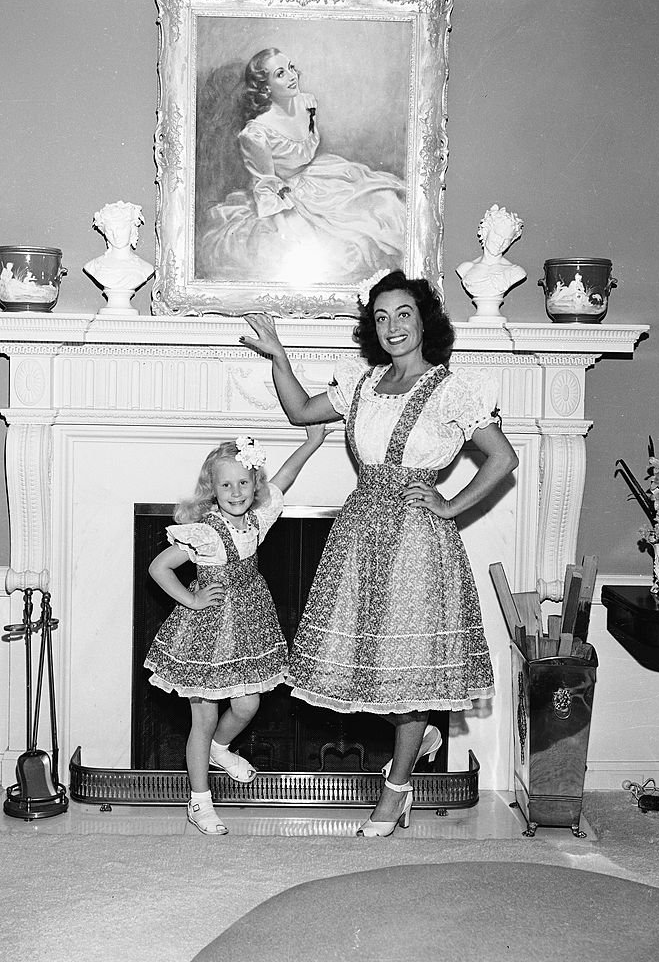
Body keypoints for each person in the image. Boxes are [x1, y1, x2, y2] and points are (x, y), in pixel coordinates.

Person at [241, 271, 518, 837]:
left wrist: (449, 506)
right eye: (381, 316)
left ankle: (395, 791)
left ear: (425, 321)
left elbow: (502, 459)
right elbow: (300, 413)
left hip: (418, 542)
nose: (392, 326)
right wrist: (279, 357)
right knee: (367, 673)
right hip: (361, 537)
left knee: (405, 671)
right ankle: (421, 737)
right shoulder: (363, 386)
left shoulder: (451, 391)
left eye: (404, 313)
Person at [144, 428, 328, 835]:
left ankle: (219, 750)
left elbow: (285, 478)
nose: (236, 491)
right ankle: (200, 801)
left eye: (244, 482)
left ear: (254, 485)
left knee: (247, 707)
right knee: (203, 718)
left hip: (248, 629)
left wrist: (313, 440)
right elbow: (159, 567)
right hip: (206, 634)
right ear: (213, 489)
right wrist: (190, 600)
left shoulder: (258, 520)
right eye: (226, 484)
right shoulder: (206, 532)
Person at [197, 48, 405, 285]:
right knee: (332, 249)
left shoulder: (307, 103)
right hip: (285, 196)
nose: (292, 76)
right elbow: (267, 186)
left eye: (291, 67)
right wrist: (289, 223)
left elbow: (307, 149)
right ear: (265, 87)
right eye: (280, 74)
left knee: (386, 206)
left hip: (323, 178)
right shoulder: (256, 133)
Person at [456, 203, 525, 303]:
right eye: (497, 235)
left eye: (507, 240)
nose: (500, 243)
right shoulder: (465, 268)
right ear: (485, 231)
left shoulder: (515, 272)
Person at [84, 200, 154, 294]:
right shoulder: (94, 266)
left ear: (132, 228)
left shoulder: (145, 268)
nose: (116, 235)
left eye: (121, 228)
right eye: (109, 230)